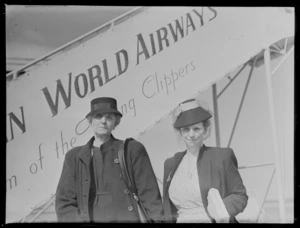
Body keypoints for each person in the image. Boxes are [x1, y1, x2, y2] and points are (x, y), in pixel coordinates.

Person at [55, 97, 164, 223]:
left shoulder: (131, 150)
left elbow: (149, 195)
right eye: (98, 116)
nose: (103, 121)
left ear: (115, 122)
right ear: (90, 121)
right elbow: (64, 203)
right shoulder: (74, 157)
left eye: (109, 117)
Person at [163, 98, 248, 223]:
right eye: (186, 129)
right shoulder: (170, 164)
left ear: (205, 130)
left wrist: (221, 210)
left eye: (196, 129)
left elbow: (240, 195)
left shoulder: (222, 157)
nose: (191, 134)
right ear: (180, 132)